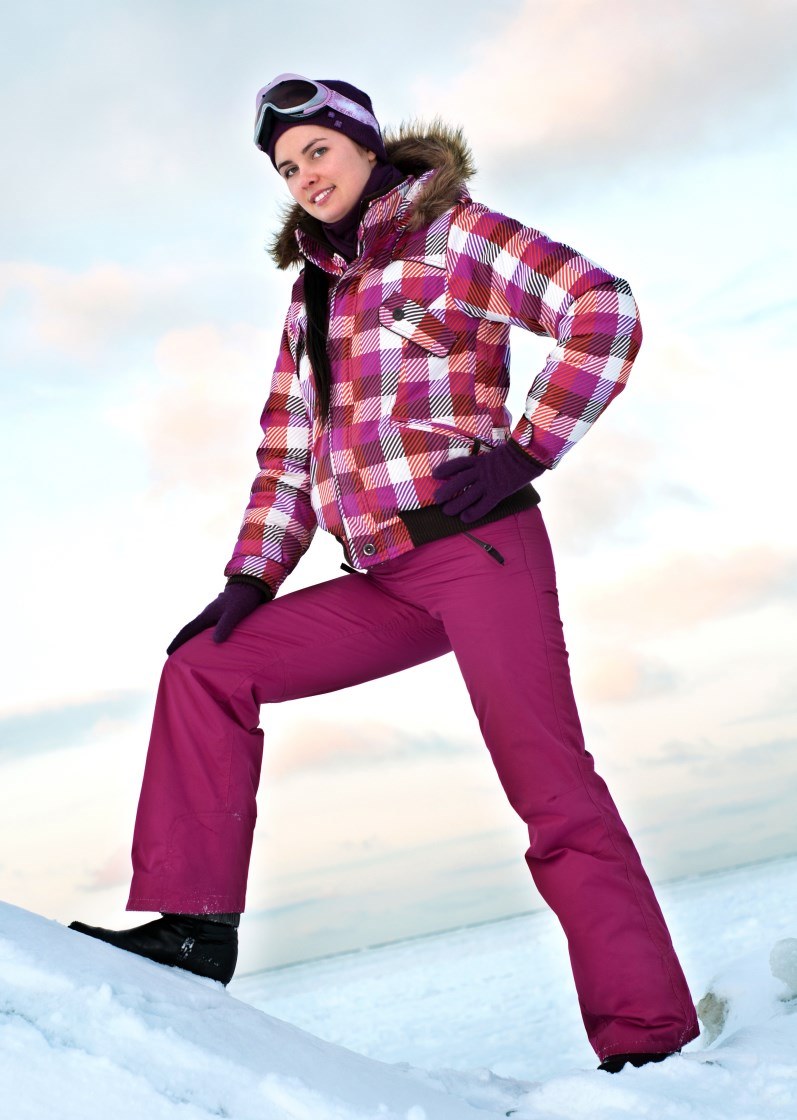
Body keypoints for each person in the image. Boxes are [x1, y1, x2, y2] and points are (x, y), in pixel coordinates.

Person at [69, 74, 700, 1072]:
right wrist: (252, 578)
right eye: (286, 168)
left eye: (316, 151)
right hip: (382, 578)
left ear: (365, 144)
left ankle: (648, 1039)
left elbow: (601, 309)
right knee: (204, 667)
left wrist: (526, 451)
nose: (303, 176)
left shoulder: (458, 237)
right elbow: (288, 450)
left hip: (478, 553)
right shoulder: (312, 292)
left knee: (550, 790)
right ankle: (193, 929)